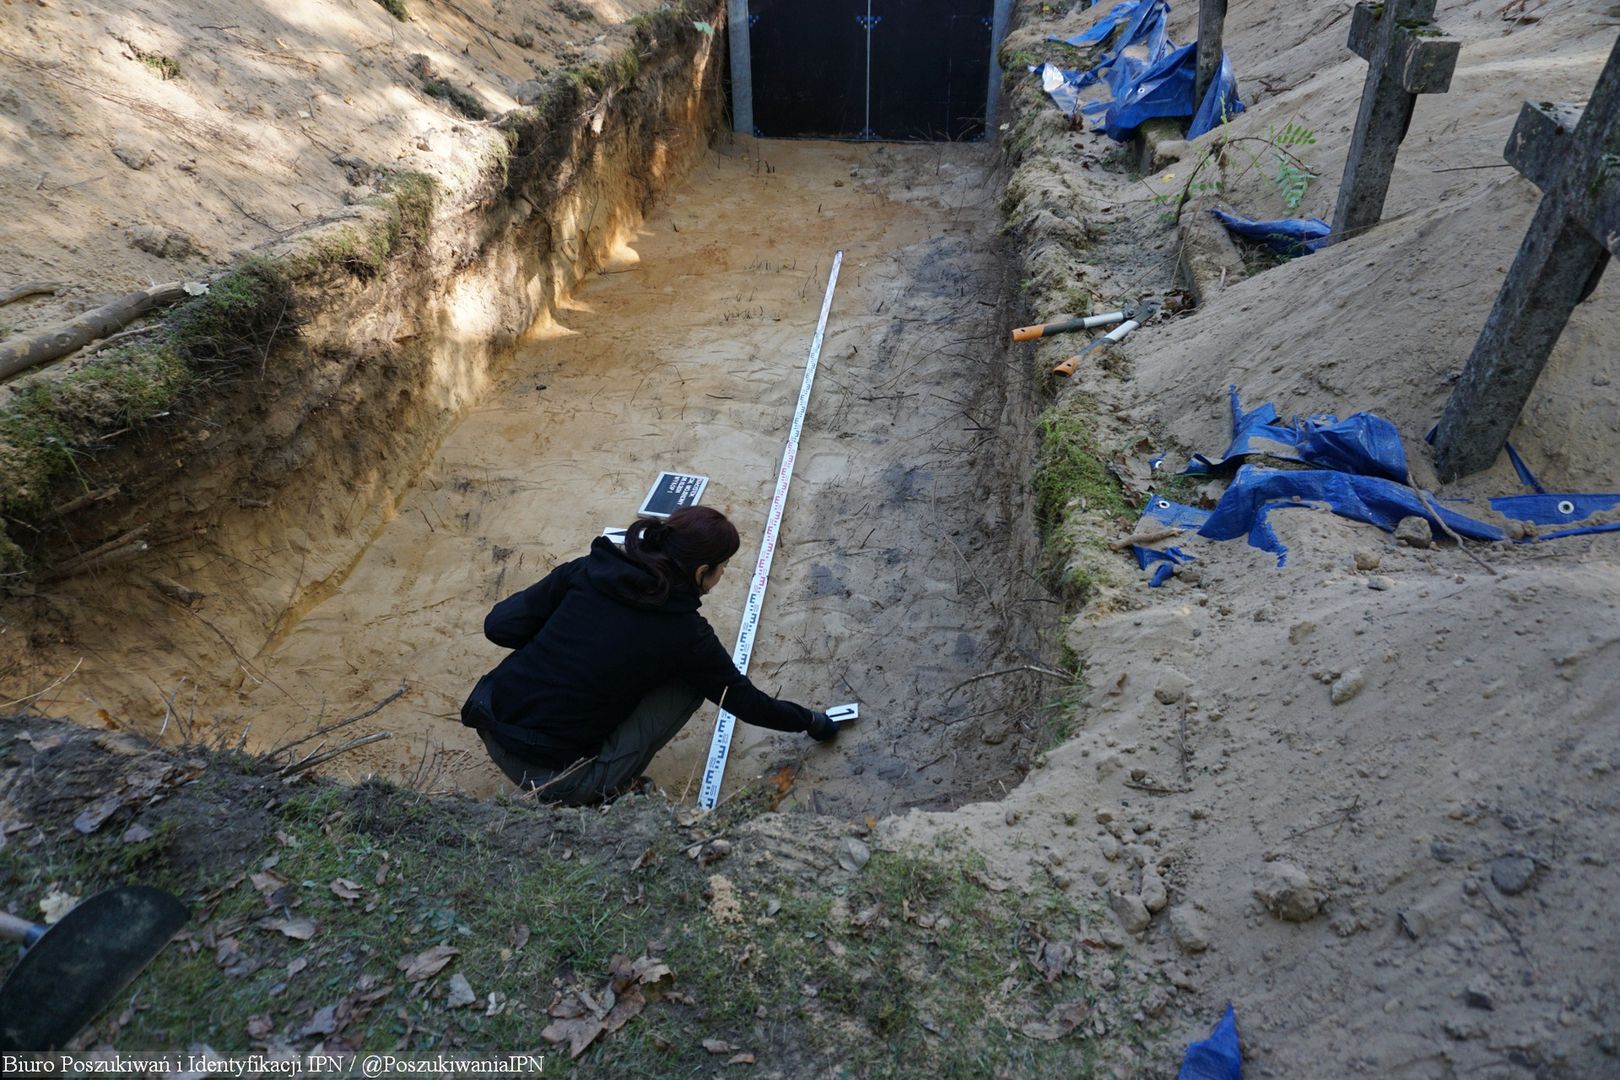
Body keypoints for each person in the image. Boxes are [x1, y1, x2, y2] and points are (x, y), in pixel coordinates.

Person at [461, 506, 837, 803]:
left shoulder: (588, 569)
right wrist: (812, 721)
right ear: (702, 571)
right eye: (722, 568)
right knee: (690, 684)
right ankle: (603, 789)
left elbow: (499, 626)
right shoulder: (686, 634)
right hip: (558, 778)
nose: (722, 575)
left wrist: (570, 639)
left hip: (491, 720)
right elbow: (745, 701)